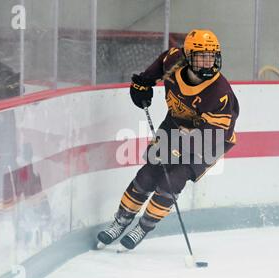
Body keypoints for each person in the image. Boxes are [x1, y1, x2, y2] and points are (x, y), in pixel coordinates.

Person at [97, 29, 240, 250]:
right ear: (188, 56)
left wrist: (181, 145)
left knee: (173, 180)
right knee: (148, 174)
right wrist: (142, 84)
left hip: (212, 139)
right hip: (175, 126)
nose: (208, 62)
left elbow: (215, 134)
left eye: (211, 56)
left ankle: (143, 227)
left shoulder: (219, 92)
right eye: (202, 57)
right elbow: (158, 66)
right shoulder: (175, 61)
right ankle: (121, 221)